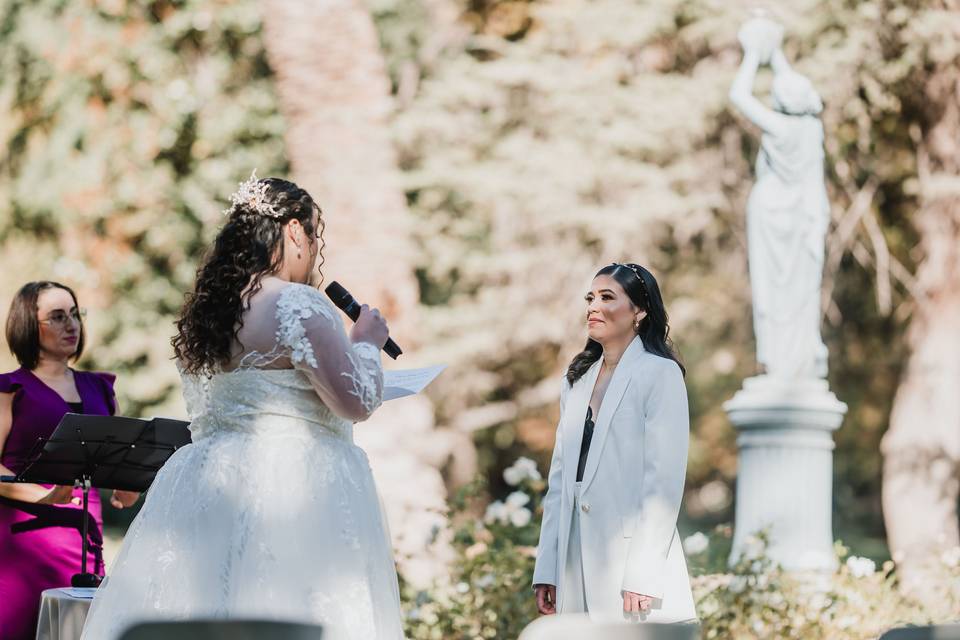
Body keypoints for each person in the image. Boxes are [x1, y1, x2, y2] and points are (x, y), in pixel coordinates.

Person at [81, 173, 404, 640]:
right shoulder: (299, 305)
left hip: (207, 482)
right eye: (313, 238)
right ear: (295, 231)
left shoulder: (210, 311)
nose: (314, 254)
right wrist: (368, 343)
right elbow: (358, 401)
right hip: (296, 487)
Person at [532, 263, 697, 624]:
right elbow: (559, 481)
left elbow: (663, 482)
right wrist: (548, 566)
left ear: (639, 310)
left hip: (630, 568)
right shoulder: (575, 380)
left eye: (608, 297)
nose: (593, 306)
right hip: (573, 559)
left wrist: (644, 572)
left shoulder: (660, 374)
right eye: (591, 297)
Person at [0, 281, 136, 640]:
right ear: (29, 324)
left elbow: (122, 464)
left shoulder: (102, 389)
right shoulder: (8, 388)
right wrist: (42, 496)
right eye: (58, 317)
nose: (71, 325)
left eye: (75, 314)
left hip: (84, 542)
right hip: (23, 546)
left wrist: (129, 485)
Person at [728, 16, 831, 379]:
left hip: (772, 212)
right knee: (796, 293)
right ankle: (794, 361)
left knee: (774, 292)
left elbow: (739, 95)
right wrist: (776, 52)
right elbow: (795, 89)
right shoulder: (810, 128)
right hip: (801, 215)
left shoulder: (780, 126)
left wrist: (755, 55)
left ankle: (779, 360)